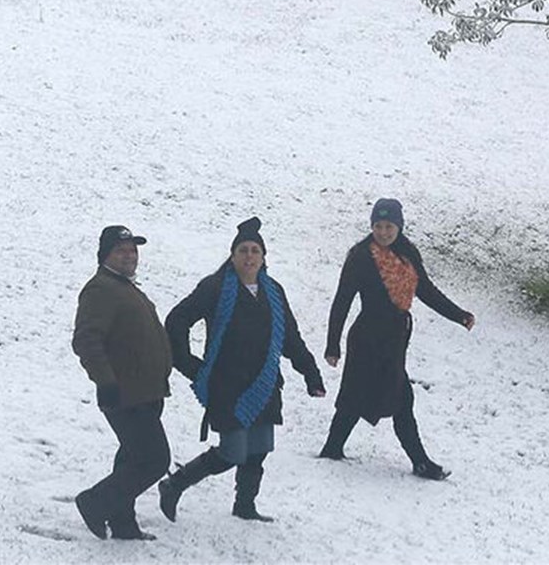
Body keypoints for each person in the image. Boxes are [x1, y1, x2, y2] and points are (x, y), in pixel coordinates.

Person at [158, 217, 325, 523]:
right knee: (234, 451)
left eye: (255, 251)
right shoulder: (215, 287)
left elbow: (290, 337)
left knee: (259, 448)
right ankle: (174, 484)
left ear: (263, 258)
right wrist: (189, 364)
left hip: (264, 383)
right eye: (243, 251)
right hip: (227, 386)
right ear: (233, 256)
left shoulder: (273, 291)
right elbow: (177, 321)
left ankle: (245, 505)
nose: (249, 257)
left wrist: (310, 372)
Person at [319, 198, 475, 480]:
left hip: (394, 339)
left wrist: (458, 315)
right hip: (366, 337)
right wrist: (333, 344)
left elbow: (424, 290)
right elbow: (342, 300)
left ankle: (333, 448)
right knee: (387, 397)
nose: (383, 232)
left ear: (399, 226)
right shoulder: (360, 256)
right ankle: (420, 462)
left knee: (371, 395)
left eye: (389, 226)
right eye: (378, 226)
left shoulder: (408, 253)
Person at [71, 225, 173, 541]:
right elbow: (86, 340)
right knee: (155, 460)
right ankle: (94, 502)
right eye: (121, 250)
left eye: (132, 250)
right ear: (106, 255)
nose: (129, 255)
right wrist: (105, 381)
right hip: (125, 394)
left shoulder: (124, 287)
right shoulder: (101, 288)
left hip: (146, 391)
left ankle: (123, 523)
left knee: (132, 457)